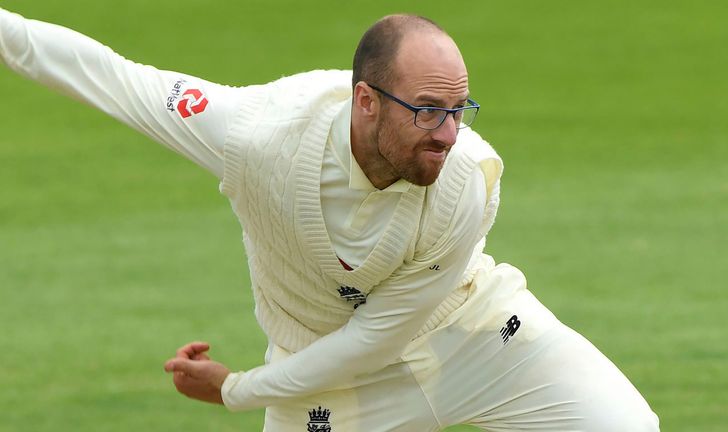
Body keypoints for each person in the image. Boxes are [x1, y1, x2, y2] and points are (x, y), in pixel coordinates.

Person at [0, 7, 660, 431]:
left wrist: (237, 390)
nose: (449, 133)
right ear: (366, 101)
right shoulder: (257, 135)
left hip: (476, 339)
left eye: (460, 109)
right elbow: (114, 79)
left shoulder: (468, 179)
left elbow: (376, 334)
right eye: (428, 110)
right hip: (324, 380)